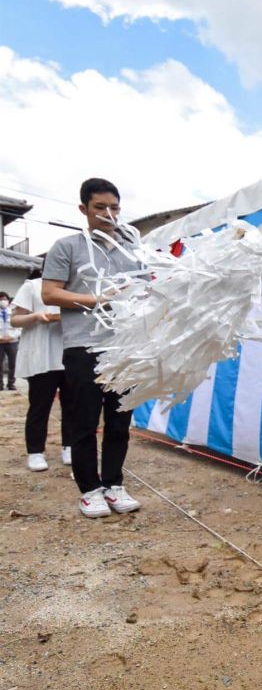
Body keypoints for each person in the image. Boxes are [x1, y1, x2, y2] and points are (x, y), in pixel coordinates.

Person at [42, 178, 142, 518]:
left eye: (114, 207)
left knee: (120, 420)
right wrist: (95, 299)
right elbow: (50, 293)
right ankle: (89, 490)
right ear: (84, 209)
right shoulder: (67, 246)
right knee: (84, 421)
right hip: (84, 345)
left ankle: (114, 484)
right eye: (100, 207)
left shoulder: (132, 249)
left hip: (125, 346)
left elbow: (147, 289)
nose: (108, 214)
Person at [11, 268, 72, 471]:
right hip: (42, 355)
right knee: (40, 405)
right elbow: (15, 319)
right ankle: (35, 451)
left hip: (71, 354)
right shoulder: (33, 286)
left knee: (74, 406)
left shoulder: (76, 287)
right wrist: (37, 316)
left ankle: (69, 446)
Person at [0, 291, 20, 391]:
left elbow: (20, 328)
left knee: (13, 364)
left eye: (5, 299)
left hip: (12, 342)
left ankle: (11, 383)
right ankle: (0, 384)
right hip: (0, 343)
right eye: (1, 299)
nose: (3, 301)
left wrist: (11, 337)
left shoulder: (13, 312)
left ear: (8, 300)